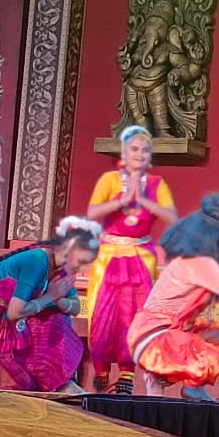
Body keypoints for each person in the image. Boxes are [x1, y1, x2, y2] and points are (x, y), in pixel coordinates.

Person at [129, 191, 219, 400]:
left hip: (166, 329)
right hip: (153, 336)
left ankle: (187, 384)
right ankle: (171, 378)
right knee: (213, 358)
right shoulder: (198, 262)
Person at [0, 216, 100, 393]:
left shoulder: (61, 270)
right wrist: (50, 296)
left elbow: (75, 307)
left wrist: (58, 300)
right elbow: (15, 312)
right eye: (82, 262)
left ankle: (58, 381)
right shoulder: (37, 261)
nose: (83, 269)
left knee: (59, 318)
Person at [84, 125, 176, 394]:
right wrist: (122, 200)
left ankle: (127, 372)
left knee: (134, 316)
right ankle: (101, 369)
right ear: (124, 152)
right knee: (103, 316)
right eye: (134, 149)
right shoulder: (109, 180)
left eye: (145, 150)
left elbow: (172, 217)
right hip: (109, 257)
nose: (140, 154)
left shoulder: (157, 184)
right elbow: (91, 213)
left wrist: (144, 201)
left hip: (140, 258)